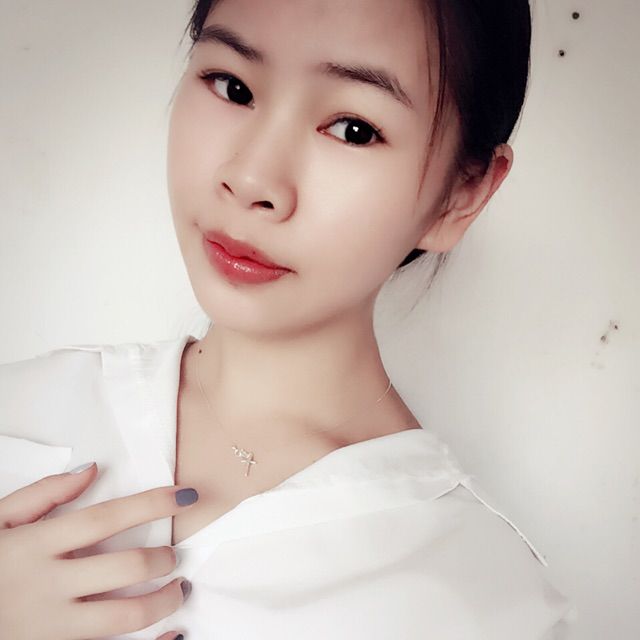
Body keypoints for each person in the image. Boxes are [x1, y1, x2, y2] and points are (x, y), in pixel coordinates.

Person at [0, 0, 578, 638]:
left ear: (462, 194)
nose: (251, 179)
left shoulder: (484, 603)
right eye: (233, 87)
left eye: (353, 129)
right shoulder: (21, 414)